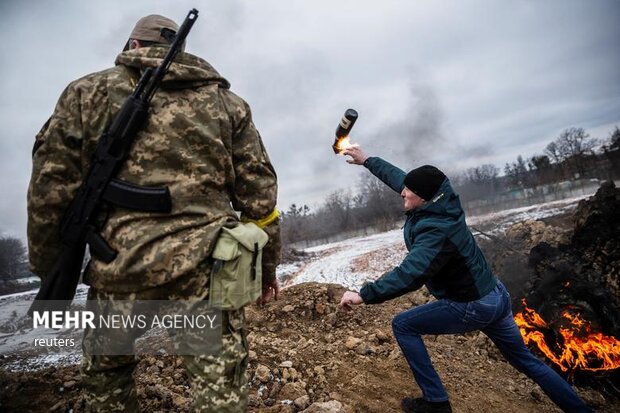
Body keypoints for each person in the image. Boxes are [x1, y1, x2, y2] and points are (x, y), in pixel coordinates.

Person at [27, 14, 281, 412]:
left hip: (118, 270)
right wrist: (267, 270)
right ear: (180, 53)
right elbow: (260, 199)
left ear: (133, 47)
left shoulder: (85, 94)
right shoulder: (227, 104)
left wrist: (49, 269)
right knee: (220, 392)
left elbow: (48, 192)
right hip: (208, 272)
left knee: (107, 379)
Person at [338, 147, 593, 413]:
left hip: (472, 305)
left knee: (403, 325)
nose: (403, 192)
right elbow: (403, 180)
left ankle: (436, 403)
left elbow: (411, 273)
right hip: (496, 296)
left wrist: (364, 294)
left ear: (424, 197)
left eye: (409, 191)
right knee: (530, 363)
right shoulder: (440, 200)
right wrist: (367, 160)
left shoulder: (435, 231)